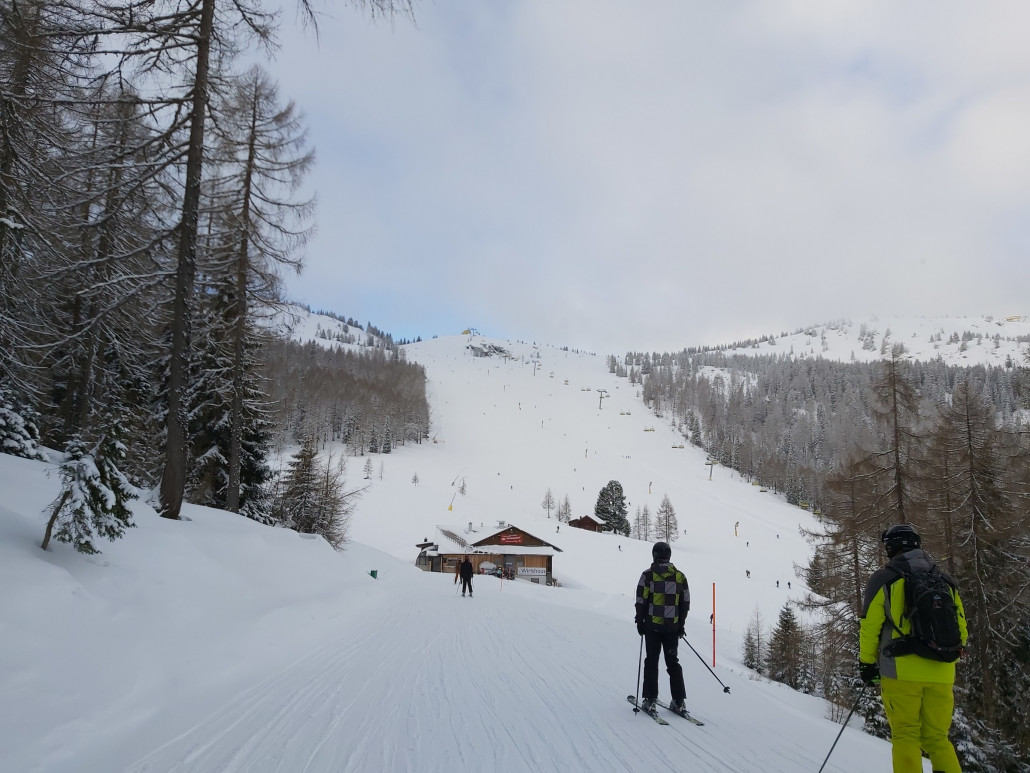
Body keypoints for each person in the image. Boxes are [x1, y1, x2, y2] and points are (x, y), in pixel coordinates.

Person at [859, 525, 967, 773]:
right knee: (938, 739)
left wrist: (867, 663)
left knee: (906, 735)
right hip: (942, 671)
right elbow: (962, 629)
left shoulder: (884, 578)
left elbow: (870, 626)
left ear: (890, 548)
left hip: (901, 670)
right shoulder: (943, 580)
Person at [634, 541, 690, 713]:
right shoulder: (680, 577)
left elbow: (641, 601)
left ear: (655, 555)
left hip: (652, 627)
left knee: (652, 661)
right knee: (673, 663)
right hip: (671, 628)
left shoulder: (648, 575)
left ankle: (650, 699)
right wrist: (680, 625)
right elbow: (685, 603)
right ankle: (679, 701)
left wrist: (640, 622)